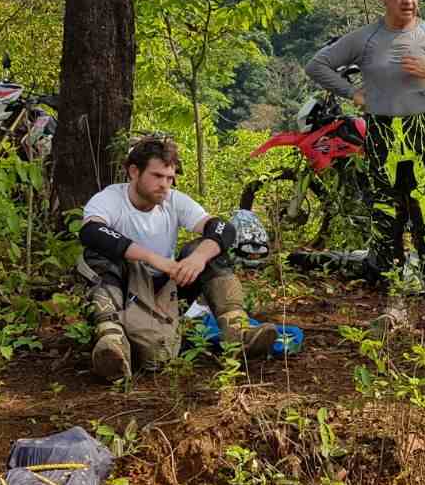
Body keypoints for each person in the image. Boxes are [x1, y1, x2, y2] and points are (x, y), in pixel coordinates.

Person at [304, 0, 425, 339]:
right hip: (381, 135)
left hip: (424, 133)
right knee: (387, 222)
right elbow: (317, 65)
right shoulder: (366, 38)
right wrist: (353, 93)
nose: (408, 0)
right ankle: (393, 304)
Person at [76, 136, 277, 380]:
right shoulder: (111, 199)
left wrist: (198, 258)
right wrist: (152, 258)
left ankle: (237, 331)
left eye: (170, 178)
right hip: (126, 285)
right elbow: (91, 232)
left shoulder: (173, 200)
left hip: (167, 285)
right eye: (157, 176)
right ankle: (111, 338)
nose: (165, 185)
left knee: (206, 249)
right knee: (100, 253)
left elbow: (223, 228)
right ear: (133, 171)